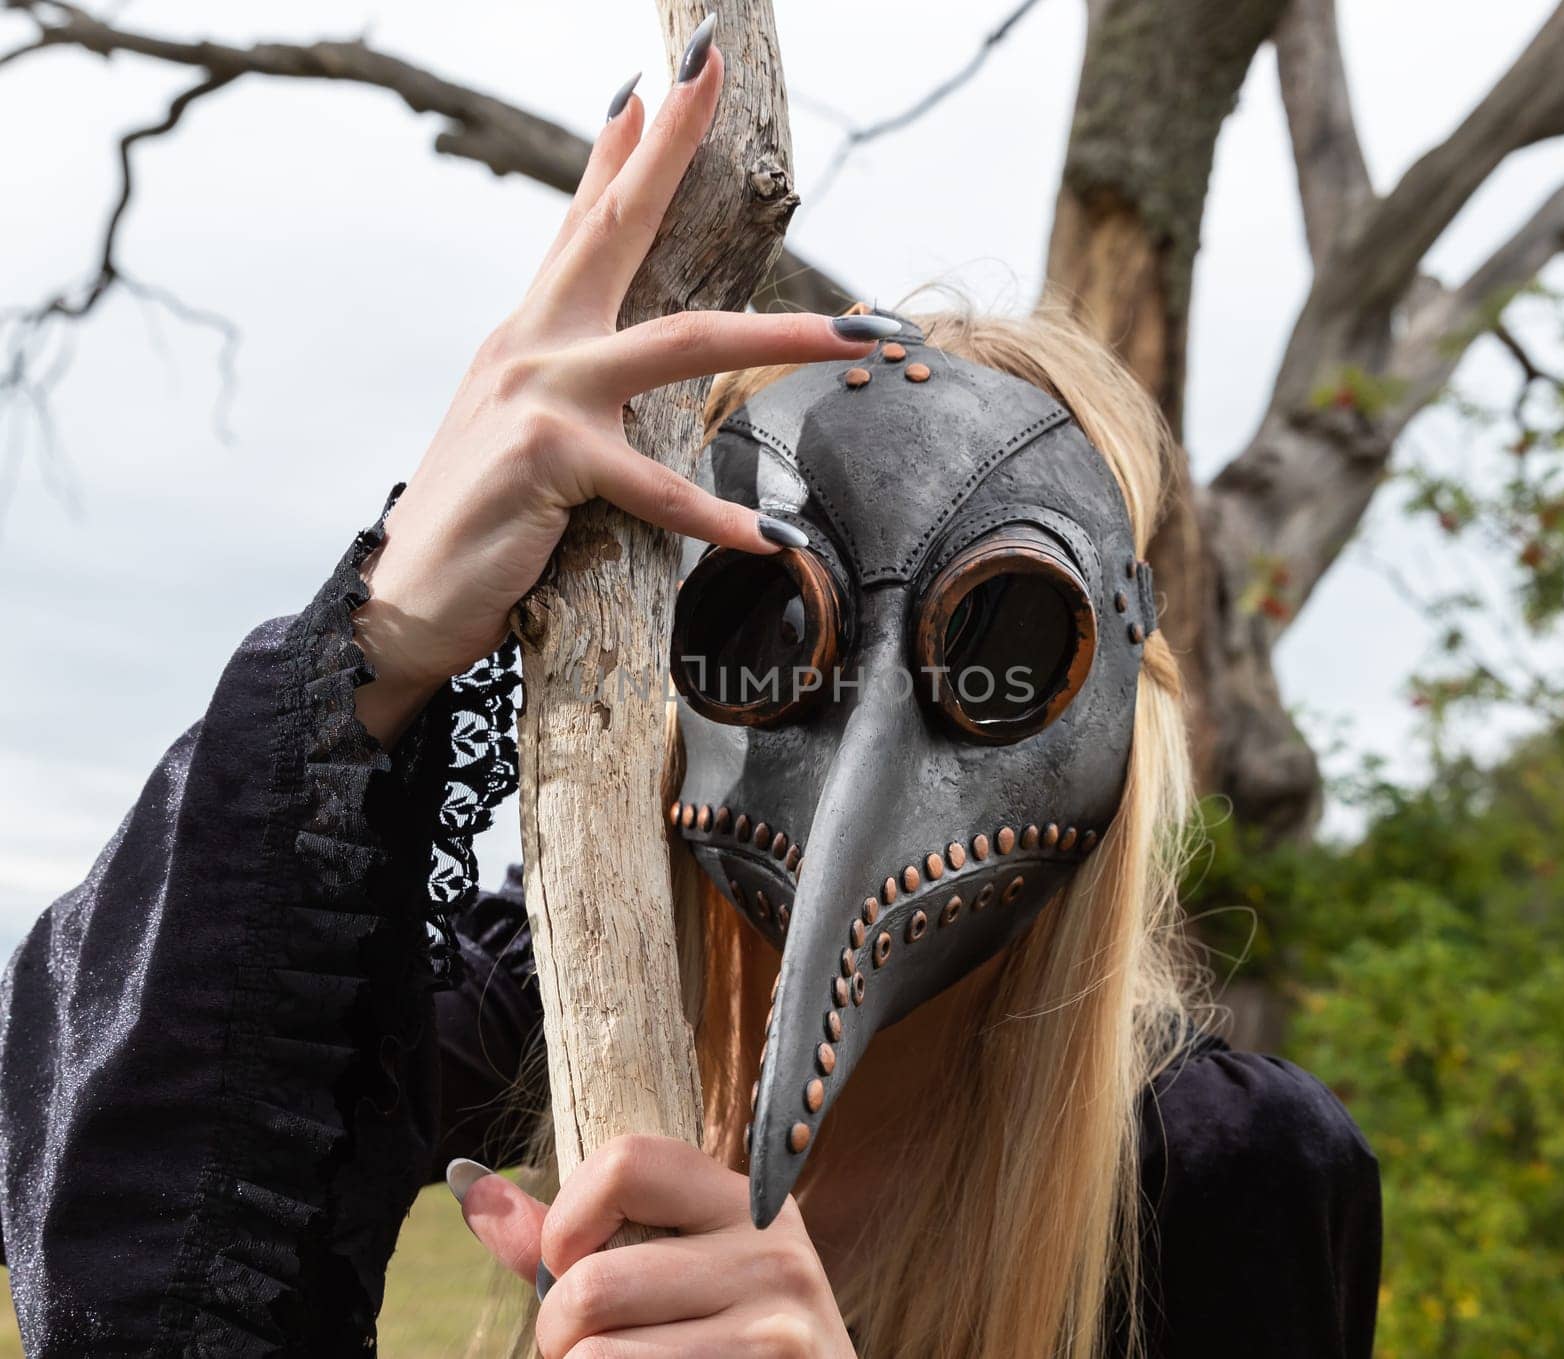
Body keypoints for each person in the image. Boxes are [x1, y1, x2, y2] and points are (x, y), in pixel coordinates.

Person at [0, 18, 1380, 1359]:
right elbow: (109, 1211)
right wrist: (387, 623)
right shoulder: (522, 1009)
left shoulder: (1221, 1180)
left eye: (1003, 644)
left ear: (1112, 682)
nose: (864, 760)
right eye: (769, 618)